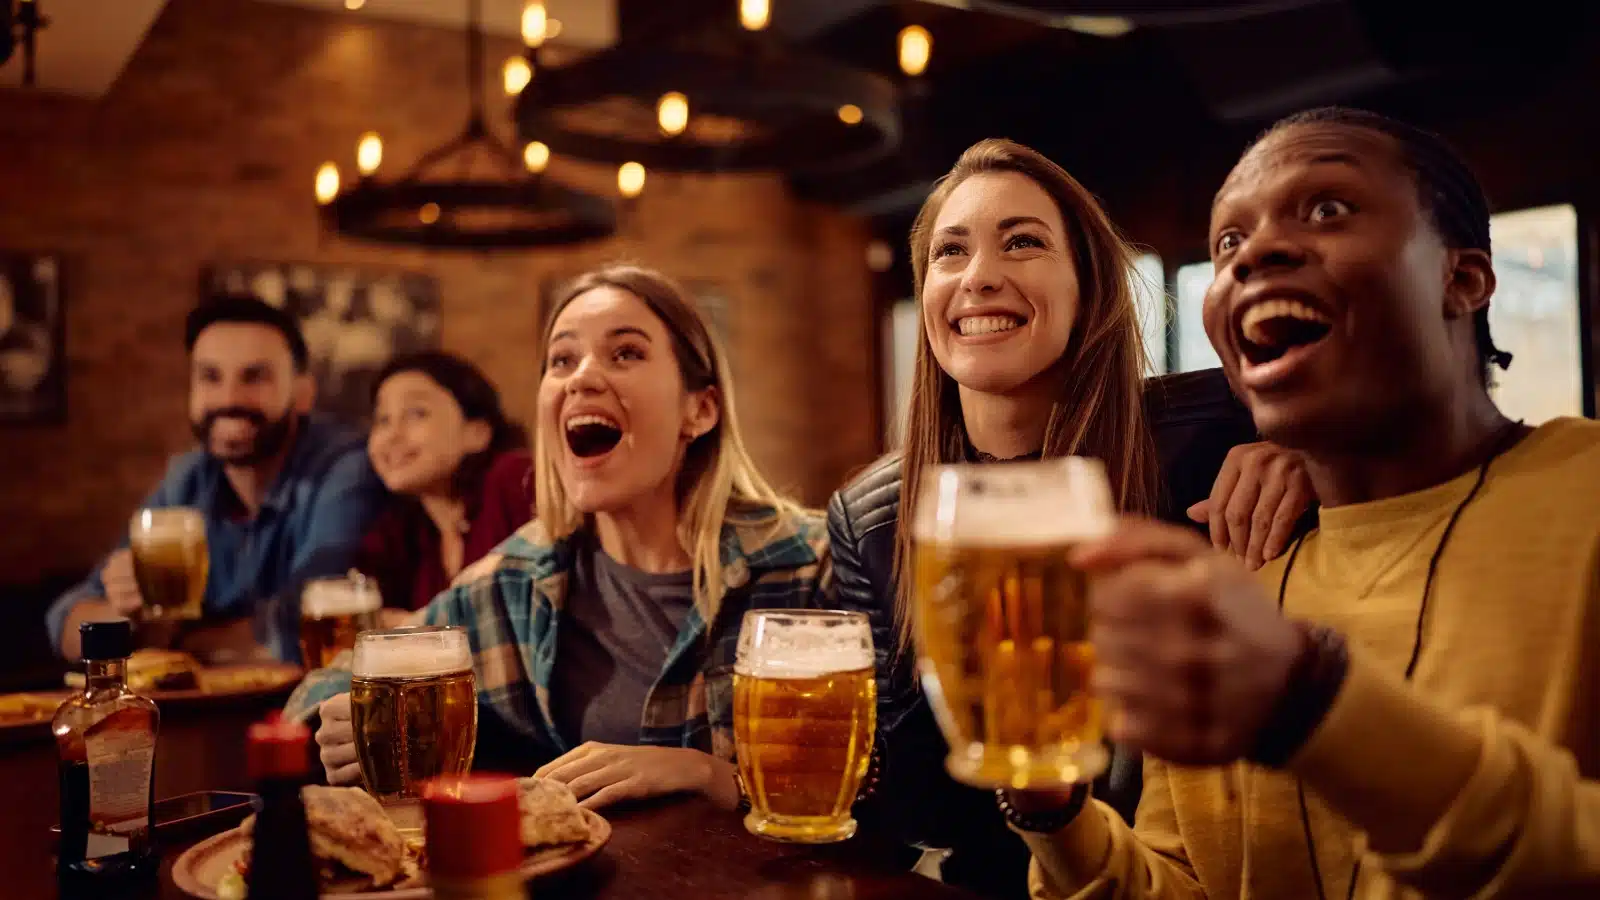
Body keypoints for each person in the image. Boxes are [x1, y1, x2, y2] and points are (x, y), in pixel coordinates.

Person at [1014, 107, 1600, 899]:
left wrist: (1314, 703)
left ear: (1461, 278)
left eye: (1328, 208)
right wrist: (1053, 812)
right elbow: (1186, 885)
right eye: (1227, 242)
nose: (1256, 252)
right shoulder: (1237, 569)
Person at [827, 138, 1313, 898]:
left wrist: (1312, 459)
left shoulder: (1223, 426)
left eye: (1022, 242)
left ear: (1089, 286)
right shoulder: (871, 517)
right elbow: (919, 806)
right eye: (950, 253)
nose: (980, 276)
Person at [288, 264, 829, 812]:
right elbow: (318, 692)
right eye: (562, 360)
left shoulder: (809, 564)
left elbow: (887, 791)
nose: (582, 378)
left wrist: (714, 777)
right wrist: (343, 723)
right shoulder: (519, 580)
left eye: (625, 354)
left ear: (701, 408)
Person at [46, 295, 386, 663]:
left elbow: (305, 627)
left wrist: (174, 642)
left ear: (303, 394)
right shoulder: (189, 479)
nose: (228, 398)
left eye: (254, 377)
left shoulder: (345, 467)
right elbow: (65, 622)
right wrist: (126, 613)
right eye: (210, 376)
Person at [355, 351, 533, 613]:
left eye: (416, 413)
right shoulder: (403, 529)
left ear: (477, 433)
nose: (392, 435)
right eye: (383, 419)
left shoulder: (516, 482)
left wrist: (415, 626)